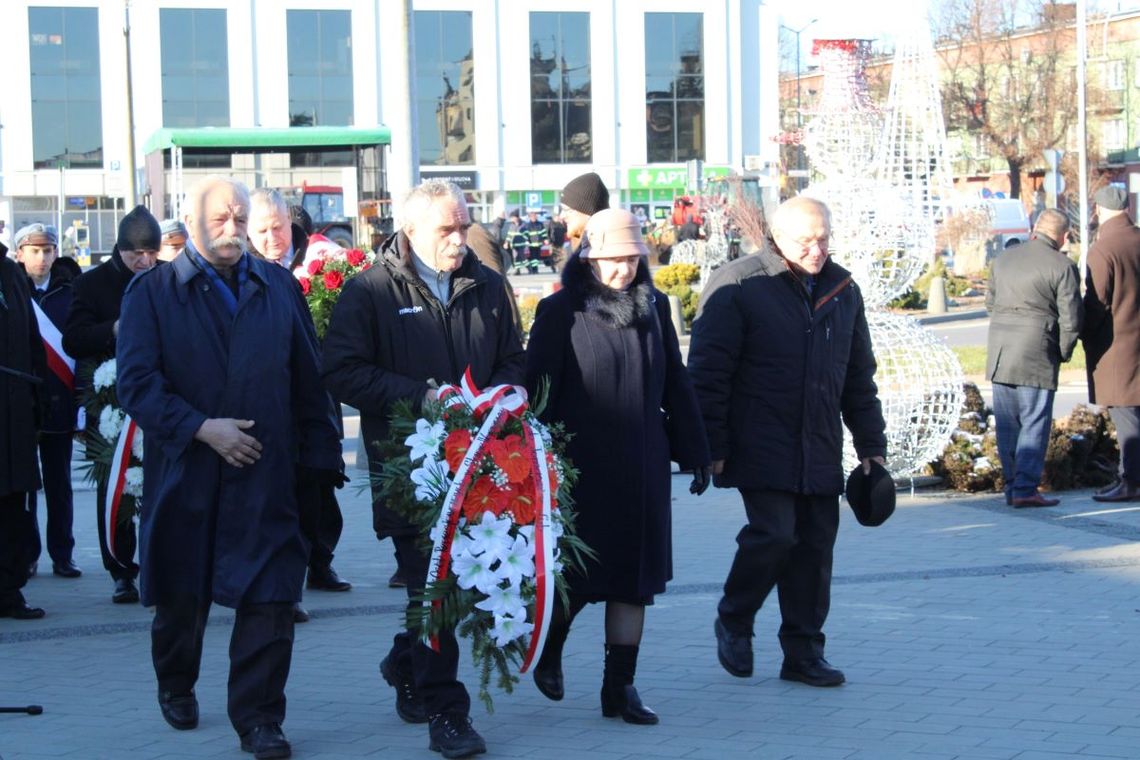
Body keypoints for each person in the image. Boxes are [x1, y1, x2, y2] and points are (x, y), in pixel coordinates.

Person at [116, 176, 341, 758]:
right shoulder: (153, 293)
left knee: (270, 599)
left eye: (240, 218)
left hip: (266, 476)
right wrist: (200, 427)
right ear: (190, 222)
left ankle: (260, 717)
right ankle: (176, 680)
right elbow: (137, 384)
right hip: (188, 474)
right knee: (181, 598)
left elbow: (308, 380)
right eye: (220, 217)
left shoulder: (278, 287)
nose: (232, 228)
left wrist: (320, 457)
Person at [322, 179, 524, 759]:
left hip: (483, 462)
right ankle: (448, 713)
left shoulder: (486, 284)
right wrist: (421, 396)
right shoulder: (372, 291)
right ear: (410, 230)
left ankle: (405, 659)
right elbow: (341, 371)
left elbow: (514, 354)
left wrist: (500, 395)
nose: (460, 238)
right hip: (410, 469)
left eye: (464, 225)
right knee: (435, 586)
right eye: (447, 229)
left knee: (456, 584)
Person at [687, 196, 886, 688]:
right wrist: (710, 445)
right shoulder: (741, 283)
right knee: (775, 534)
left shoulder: (843, 289)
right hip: (759, 439)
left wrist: (871, 446)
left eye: (824, 239)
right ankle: (735, 616)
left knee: (815, 549)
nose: (817, 249)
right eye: (805, 241)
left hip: (819, 441)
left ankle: (804, 653)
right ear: (777, 237)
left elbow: (858, 375)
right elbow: (708, 374)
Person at [525, 208, 711, 724]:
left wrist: (695, 449)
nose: (623, 269)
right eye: (612, 259)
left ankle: (619, 688)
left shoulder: (655, 307)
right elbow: (537, 392)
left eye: (632, 259)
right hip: (582, 469)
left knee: (636, 580)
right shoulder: (560, 311)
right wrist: (532, 462)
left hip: (644, 464)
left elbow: (677, 382)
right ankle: (550, 648)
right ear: (589, 255)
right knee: (583, 575)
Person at [62, 205, 162, 605]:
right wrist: (115, 329)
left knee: (159, 487)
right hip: (110, 404)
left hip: (158, 398)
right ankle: (121, 571)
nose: (145, 261)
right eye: (136, 254)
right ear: (119, 250)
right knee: (116, 487)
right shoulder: (91, 285)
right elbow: (74, 339)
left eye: (151, 253)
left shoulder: (167, 276)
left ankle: (160, 565)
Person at [986, 209, 1083, 508]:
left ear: (1035, 228)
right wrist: (1063, 351)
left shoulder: (1002, 261)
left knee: (1007, 425)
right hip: (1038, 351)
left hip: (1001, 353)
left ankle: (1013, 486)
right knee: (1034, 422)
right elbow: (1071, 319)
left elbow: (991, 303)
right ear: (1064, 236)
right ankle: (1026, 488)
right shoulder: (1063, 266)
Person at [14, 224, 80, 578]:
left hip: (60, 402)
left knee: (60, 484)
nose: (42, 258)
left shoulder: (70, 293)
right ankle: (27, 554)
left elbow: (79, 350)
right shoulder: (9, 290)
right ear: (20, 253)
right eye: (35, 250)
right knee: (24, 487)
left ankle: (63, 553)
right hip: (22, 406)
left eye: (49, 250)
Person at [0, 235, 49, 619]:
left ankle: (8, 590)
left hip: (14, 411)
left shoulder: (11, 275)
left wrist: (39, 400)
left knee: (13, 505)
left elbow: (32, 339)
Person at [1082, 185, 1140, 503]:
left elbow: (1096, 302)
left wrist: (1082, 332)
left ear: (1099, 210)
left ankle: (1131, 482)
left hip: (1118, 346)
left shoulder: (1104, 249)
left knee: (1127, 416)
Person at [560, 172, 610, 256]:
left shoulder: (613, 254)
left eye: (568, 210)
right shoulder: (575, 247)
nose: (562, 216)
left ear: (588, 213)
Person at [248, 188, 297, 269]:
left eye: (277, 227)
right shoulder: (240, 268)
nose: (272, 238)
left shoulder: (317, 253)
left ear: (289, 218)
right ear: (249, 231)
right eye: (263, 231)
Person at [520, 209, 551, 273]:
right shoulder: (527, 225)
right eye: (532, 216)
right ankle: (534, 269)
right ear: (530, 217)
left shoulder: (540, 224)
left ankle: (534, 269)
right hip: (531, 244)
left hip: (539, 244)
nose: (534, 217)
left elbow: (543, 233)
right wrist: (526, 240)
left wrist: (545, 239)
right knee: (533, 257)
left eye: (535, 216)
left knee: (537, 257)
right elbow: (525, 234)